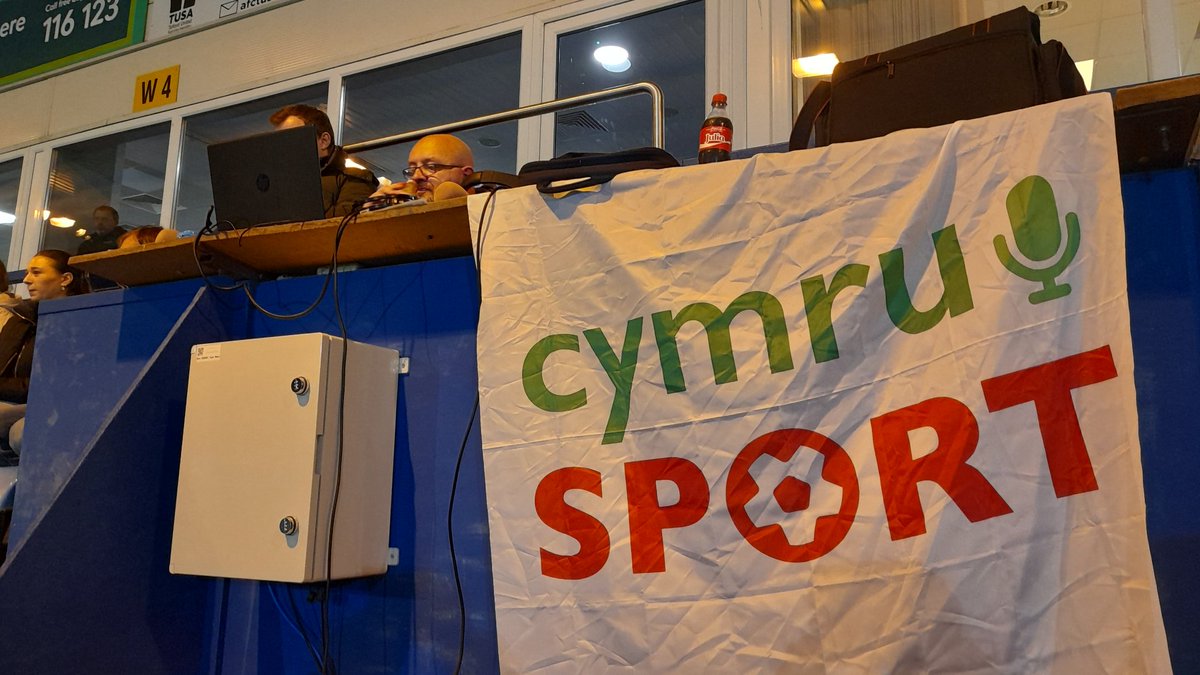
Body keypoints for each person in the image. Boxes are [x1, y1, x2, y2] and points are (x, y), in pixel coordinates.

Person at [0, 250, 89, 465]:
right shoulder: (22, 317)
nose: (26, 279)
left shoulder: (83, 322)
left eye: (37, 272)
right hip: (17, 398)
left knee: (21, 433)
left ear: (65, 279)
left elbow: (58, 384)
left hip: (52, 404)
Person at [268, 104, 379, 218]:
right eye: (279, 143)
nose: (284, 149)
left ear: (324, 141)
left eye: (292, 139)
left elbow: (346, 223)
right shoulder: (276, 187)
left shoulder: (355, 179)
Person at [370, 134, 475, 203]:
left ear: (467, 174)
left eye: (430, 167)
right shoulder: (404, 215)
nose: (416, 176)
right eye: (412, 169)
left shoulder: (490, 212)